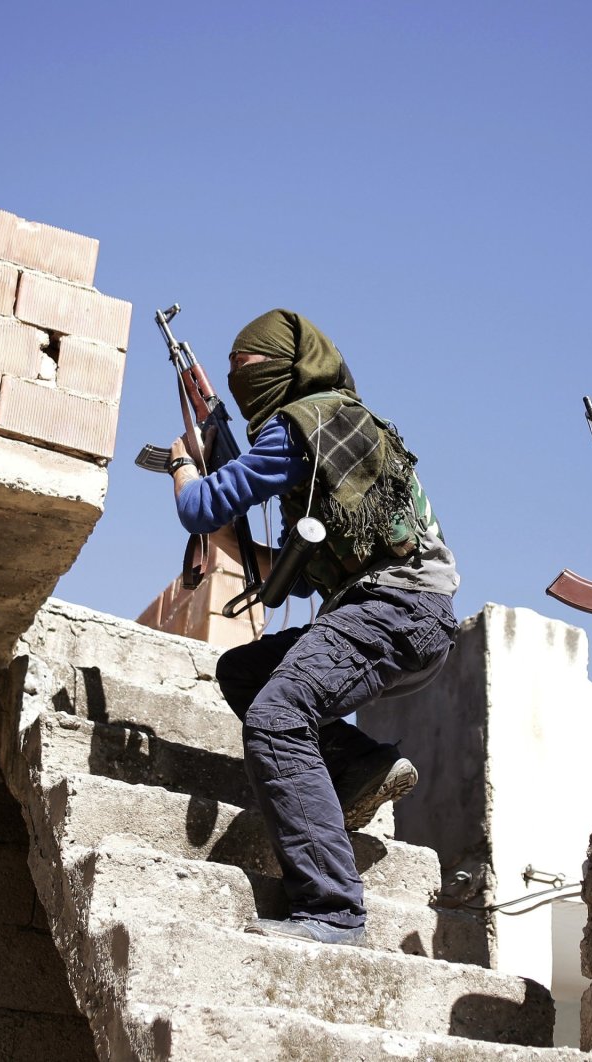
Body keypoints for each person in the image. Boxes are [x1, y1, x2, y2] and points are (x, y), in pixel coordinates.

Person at [166, 308, 459, 947]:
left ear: (286, 368)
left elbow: (199, 506)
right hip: (402, 613)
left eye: (247, 367)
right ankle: (362, 768)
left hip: (393, 611)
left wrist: (185, 463)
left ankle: (332, 907)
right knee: (243, 671)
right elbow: (297, 576)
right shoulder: (337, 430)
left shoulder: (304, 424)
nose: (239, 380)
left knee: (276, 717)